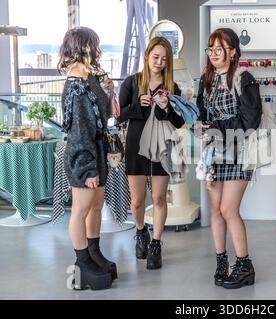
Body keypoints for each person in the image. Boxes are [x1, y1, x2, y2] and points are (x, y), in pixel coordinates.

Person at [196, 28, 262, 289]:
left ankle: (245, 265)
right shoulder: (205, 80)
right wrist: (200, 125)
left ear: (233, 52)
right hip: (213, 153)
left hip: (238, 151)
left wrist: (215, 128)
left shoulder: (244, 79)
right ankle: (222, 261)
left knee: (228, 209)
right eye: (210, 49)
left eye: (219, 49)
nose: (213, 54)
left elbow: (250, 121)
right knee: (215, 211)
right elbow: (202, 114)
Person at [118, 37, 184, 270]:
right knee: (137, 201)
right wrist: (138, 105)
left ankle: (156, 243)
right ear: (146, 55)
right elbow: (118, 116)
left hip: (163, 147)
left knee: (158, 198)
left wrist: (167, 108)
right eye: (155, 57)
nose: (159, 62)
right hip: (136, 146)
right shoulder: (131, 82)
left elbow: (179, 121)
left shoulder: (172, 87)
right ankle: (140, 232)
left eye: (164, 59)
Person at [58, 26, 117, 290]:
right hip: (86, 154)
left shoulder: (87, 77)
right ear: (84, 47)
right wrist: (87, 168)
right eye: (94, 44)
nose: (98, 49)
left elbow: (102, 115)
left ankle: (93, 253)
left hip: (97, 149)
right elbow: (79, 131)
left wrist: (109, 92)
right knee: (81, 209)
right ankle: (83, 262)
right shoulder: (77, 85)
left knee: (94, 206)